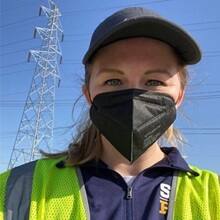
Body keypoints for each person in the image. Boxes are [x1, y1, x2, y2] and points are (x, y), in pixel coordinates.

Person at [0, 7, 220, 220]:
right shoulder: (17, 190)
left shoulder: (213, 195)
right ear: (88, 94)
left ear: (179, 96)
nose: (134, 97)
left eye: (154, 81)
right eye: (113, 81)